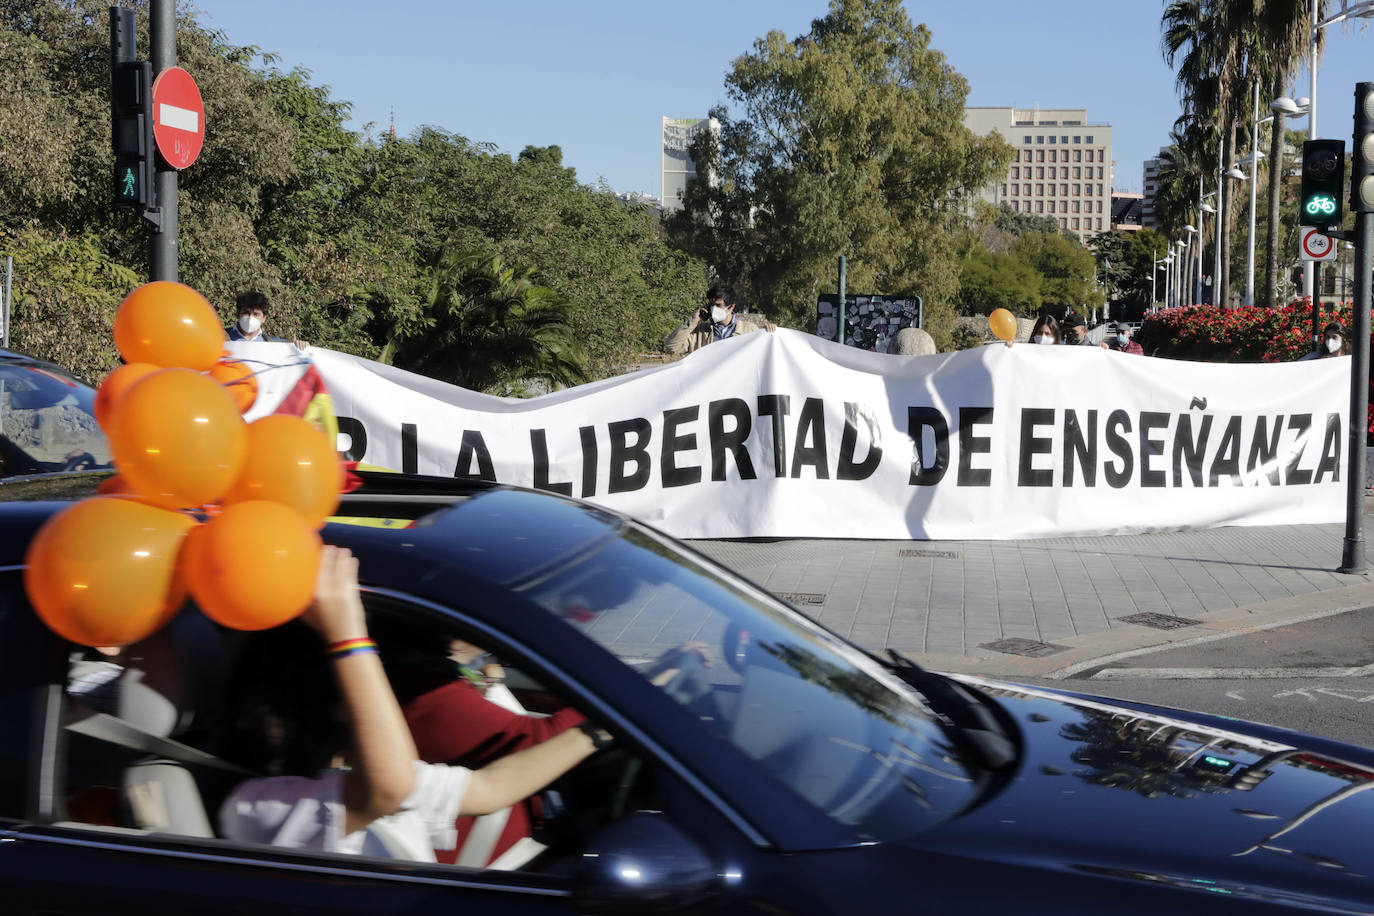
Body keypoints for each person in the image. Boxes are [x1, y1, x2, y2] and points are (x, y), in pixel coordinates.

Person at [217, 547, 610, 862]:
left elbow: (493, 787)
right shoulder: (258, 804)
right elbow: (390, 787)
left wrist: (603, 726)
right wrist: (346, 633)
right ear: (329, 700)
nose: (385, 689)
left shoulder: (354, 776)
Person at [662, 284, 776, 355]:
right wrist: (693, 321)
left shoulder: (749, 329)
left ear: (731, 307)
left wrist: (769, 332)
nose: (713, 309)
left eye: (718, 305)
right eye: (711, 305)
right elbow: (671, 347)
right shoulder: (700, 332)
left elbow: (765, 354)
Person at [227, 291, 308, 347]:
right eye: (246, 313)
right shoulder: (220, 338)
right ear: (237, 314)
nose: (251, 318)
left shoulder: (277, 345)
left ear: (264, 318)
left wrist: (300, 347)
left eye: (256, 314)